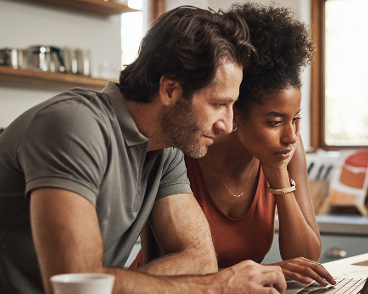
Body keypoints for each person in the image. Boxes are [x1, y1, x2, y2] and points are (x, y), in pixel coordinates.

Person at [0, 5, 287, 294]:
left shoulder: (166, 150)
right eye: (218, 104)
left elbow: (199, 259)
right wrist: (216, 286)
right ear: (170, 90)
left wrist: (117, 284)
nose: (226, 125)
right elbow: (77, 283)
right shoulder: (74, 126)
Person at [133, 2, 335, 287]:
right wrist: (269, 270)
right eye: (275, 122)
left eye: (296, 119)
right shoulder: (185, 147)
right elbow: (169, 264)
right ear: (235, 112)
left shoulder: (286, 150)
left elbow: (307, 259)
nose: (291, 136)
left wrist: (277, 174)